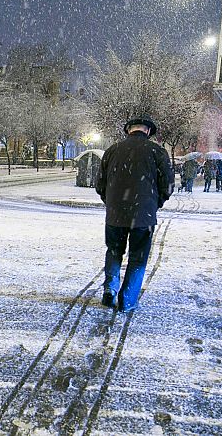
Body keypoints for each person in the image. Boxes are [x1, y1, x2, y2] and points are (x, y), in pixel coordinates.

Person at [96, 116, 174, 313]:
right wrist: (155, 203)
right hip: (143, 216)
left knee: (114, 251)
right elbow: (168, 185)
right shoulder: (157, 151)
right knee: (138, 258)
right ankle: (127, 299)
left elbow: (100, 184)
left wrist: (112, 202)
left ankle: (110, 289)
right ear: (148, 131)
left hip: (115, 214)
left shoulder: (112, 150)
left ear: (128, 130)